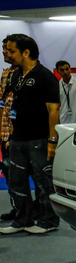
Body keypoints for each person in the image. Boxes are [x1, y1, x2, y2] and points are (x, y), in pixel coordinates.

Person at [0, 34, 60, 235]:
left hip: (39, 139)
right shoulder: (16, 75)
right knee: (16, 181)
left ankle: (48, 220)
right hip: (18, 139)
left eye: (12, 51)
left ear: (26, 53)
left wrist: (52, 141)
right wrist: (9, 136)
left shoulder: (45, 76)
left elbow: (53, 111)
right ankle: (22, 219)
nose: (8, 54)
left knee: (43, 182)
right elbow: (12, 106)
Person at [1, 37, 19, 220]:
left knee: (24, 175)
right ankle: (18, 208)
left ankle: (35, 210)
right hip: (5, 133)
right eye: (3, 49)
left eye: (8, 49)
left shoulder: (28, 75)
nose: (5, 52)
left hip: (20, 135)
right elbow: (1, 104)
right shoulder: (5, 73)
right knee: (9, 174)